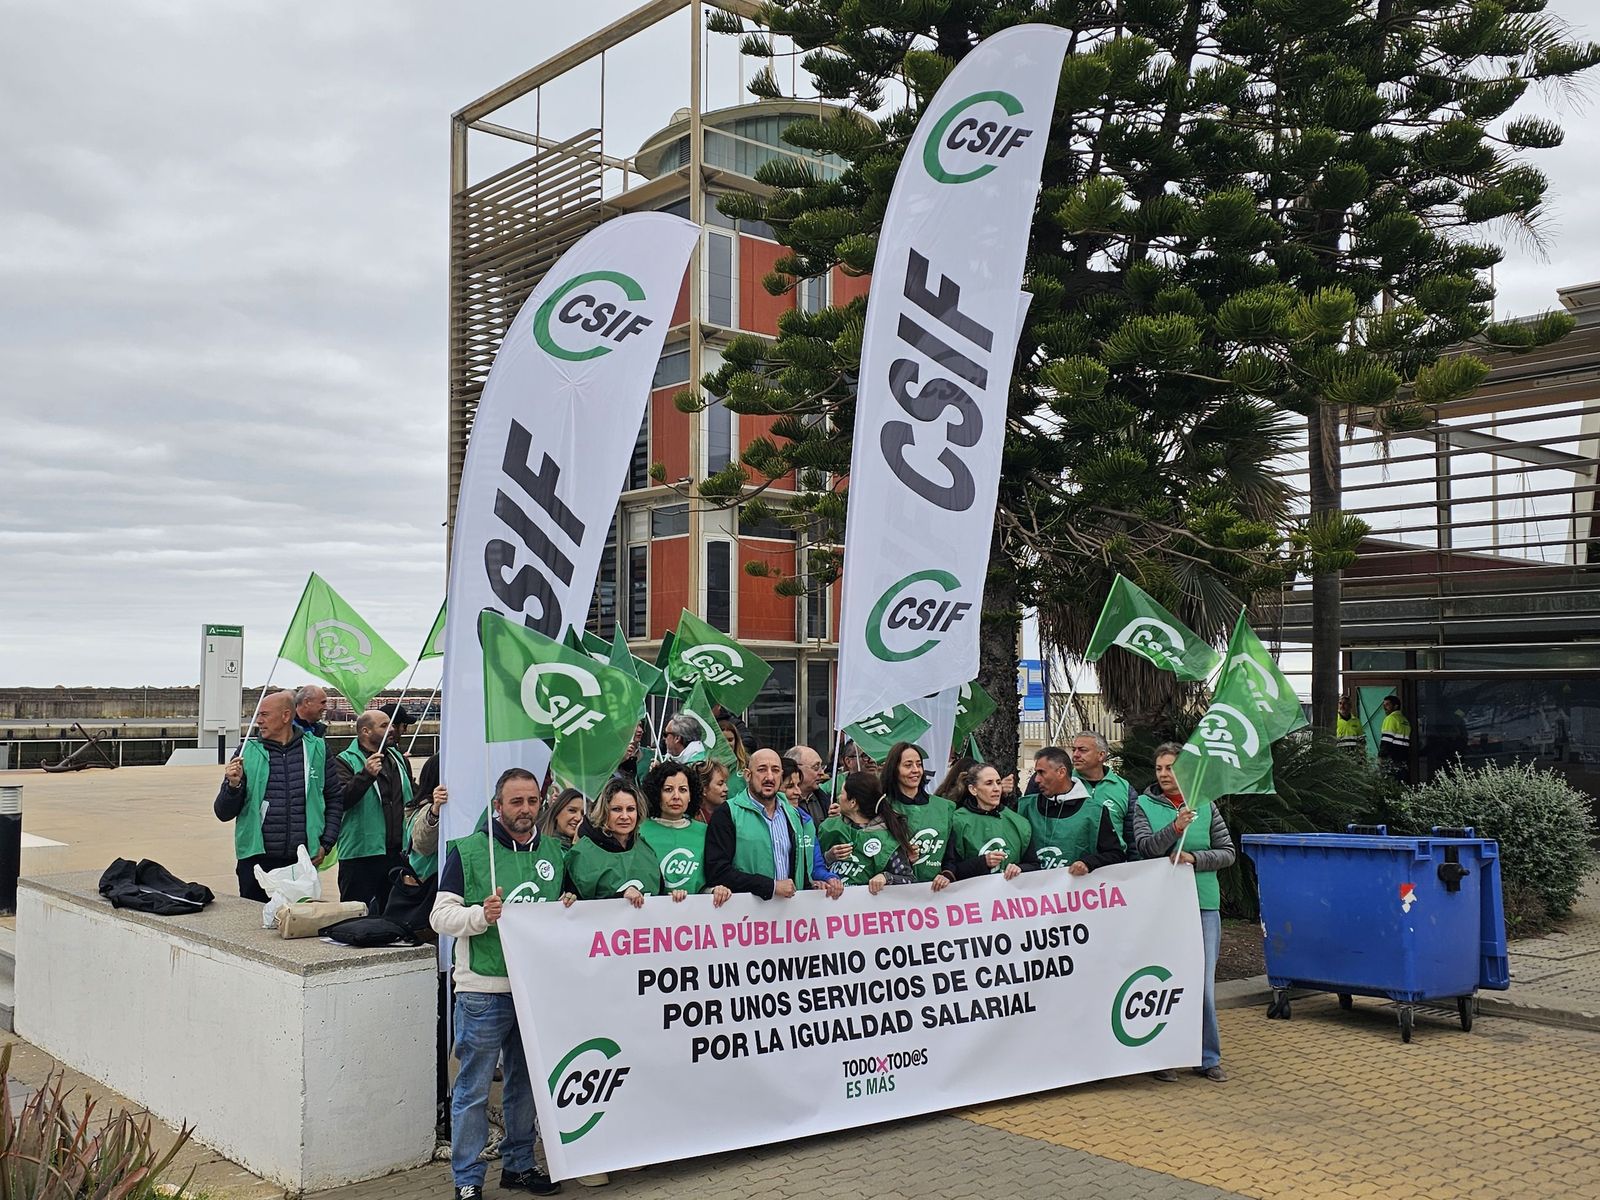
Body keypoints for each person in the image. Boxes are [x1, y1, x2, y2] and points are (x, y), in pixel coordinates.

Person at [431, 768, 565, 1199]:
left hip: (534, 990)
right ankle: (467, 1179)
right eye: (516, 802)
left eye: (532, 801)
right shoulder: (469, 850)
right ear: (497, 805)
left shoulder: (555, 851)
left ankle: (520, 1165)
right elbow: (439, 916)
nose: (525, 809)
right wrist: (479, 916)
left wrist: (569, 904)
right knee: (473, 1090)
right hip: (483, 991)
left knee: (525, 1085)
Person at [1133, 742, 1238, 1083]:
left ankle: (1207, 1057)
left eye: (1171, 768)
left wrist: (1196, 859)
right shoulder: (1145, 805)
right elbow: (1145, 848)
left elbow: (1227, 852)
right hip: (1162, 907)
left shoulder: (1206, 805)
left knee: (1203, 985)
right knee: (1166, 983)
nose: (1164, 774)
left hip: (1203, 904)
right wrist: (1175, 828)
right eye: (1159, 768)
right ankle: (1164, 1056)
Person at [214, 689, 343, 900]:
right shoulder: (246, 752)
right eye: (258, 715)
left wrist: (326, 844)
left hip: (301, 860)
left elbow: (334, 799)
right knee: (254, 919)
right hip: (256, 861)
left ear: (285, 716)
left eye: (264, 714)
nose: (258, 721)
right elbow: (223, 813)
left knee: (297, 918)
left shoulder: (317, 749)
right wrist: (233, 786)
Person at [706, 748, 844, 900]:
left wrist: (812, 886)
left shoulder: (793, 814)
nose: (769, 777)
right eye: (762, 770)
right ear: (747, 775)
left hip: (788, 911)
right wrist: (771, 886)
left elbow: (799, 869)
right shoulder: (727, 813)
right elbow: (717, 871)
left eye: (775, 770)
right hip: (744, 912)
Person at [332, 709, 416, 914]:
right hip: (361, 855)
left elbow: (412, 794)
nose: (392, 729)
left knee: (395, 914)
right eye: (384, 726)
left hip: (397, 852)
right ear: (365, 731)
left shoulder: (398, 759)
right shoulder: (344, 761)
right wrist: (366, 775)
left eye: (391, 724)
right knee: (355, 913)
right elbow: (340, 801)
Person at [878, 741, 989, 888]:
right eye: (908, 765)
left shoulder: (945, 807)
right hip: (896, 892)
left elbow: (951, 856)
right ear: (894, 769)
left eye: (919, 764)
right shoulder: (883, 807)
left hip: (936, 893)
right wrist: (902, 859)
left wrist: (946, 874)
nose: (915, 770)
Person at [563, 779, 681, 907]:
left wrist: (673, 898)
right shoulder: (582, 854)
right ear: (604, 811)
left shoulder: (646, 849)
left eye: (630, 809)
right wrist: (619, 898)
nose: (625, 816)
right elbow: (575, 909)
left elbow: (659, 896)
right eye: (617, 809)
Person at [638, 761, 733, 904]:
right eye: (668, 789)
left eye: (683, 790)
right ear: (657, 793)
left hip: (695, 914)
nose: (676, 796)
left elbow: (704, 883)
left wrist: (714, 891)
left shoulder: (706, 832)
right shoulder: (639, 831)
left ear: (690, 795)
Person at [1019, 746, 1124, 874]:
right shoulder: (1024, 806)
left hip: (1077, 885)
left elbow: (1115, 854)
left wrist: (1088, 863)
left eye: (1042, 772)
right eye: (1036, 773)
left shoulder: (1095, 812)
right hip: (1032, 886)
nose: (1036, 779)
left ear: (1061, 772)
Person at [816, 772, 918, 893]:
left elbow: (909, 880)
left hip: (867, 904)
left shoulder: (887, 839)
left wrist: (886, 877)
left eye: (842, 793)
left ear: (853, 802)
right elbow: (810, 866)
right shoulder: (829, 828)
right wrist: (828, 857)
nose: (838, 797)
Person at [950, 762, 1037, 877]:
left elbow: (1034, 865)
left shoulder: (1019, 822)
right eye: (989, 783)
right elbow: (950, 869)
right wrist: (982, 862)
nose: (996, 789)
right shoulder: (957, 821)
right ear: (973, 789)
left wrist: (1020, 868)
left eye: (998, 782)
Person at [1070, 731, 1138, 856]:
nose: (1075, 755)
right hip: (1071, 865)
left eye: (1082, 750)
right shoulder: (1063, 783)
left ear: (1101, 755)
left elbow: (1132, 837)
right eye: (1074, 750)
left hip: (1112, 864)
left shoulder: (1124, 788)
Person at [781, 757, 841, 886]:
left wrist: (829, 878)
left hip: (798, 897)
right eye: (790, 786)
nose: (798, 792)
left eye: (798, 785)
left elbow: (816, 866)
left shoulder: (806, 821)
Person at [784, 744, 831, 825]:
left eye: (821, 766)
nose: (822, 773)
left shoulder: (824, 799)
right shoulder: (781, 803)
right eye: (816, 767)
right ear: (796, 768)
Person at [1379, 695, 1411, 782]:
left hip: (1391, 759)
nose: (1384, 708)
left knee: (1389, 784)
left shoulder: (1390, 718)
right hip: (1403, 758)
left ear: (1396, 706)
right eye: (1384, 705)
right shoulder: (1405, 720)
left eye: (1387, 704)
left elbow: (1386, 741)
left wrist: (1381, 756)